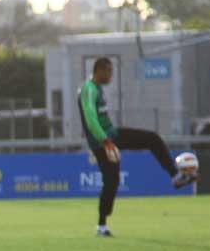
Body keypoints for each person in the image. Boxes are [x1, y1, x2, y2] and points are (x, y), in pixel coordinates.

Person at [78, 57, 197, 237]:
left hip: (112, 136)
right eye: (109, 71)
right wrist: (105, 141)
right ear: (99, 71)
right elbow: (90, 119)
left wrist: (108, 138)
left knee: (152, 139)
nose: (111, 75)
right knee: (111, 181)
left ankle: (176, 176)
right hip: (103, 143)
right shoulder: (88, 89)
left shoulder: (97, 88)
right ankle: (101, 226)